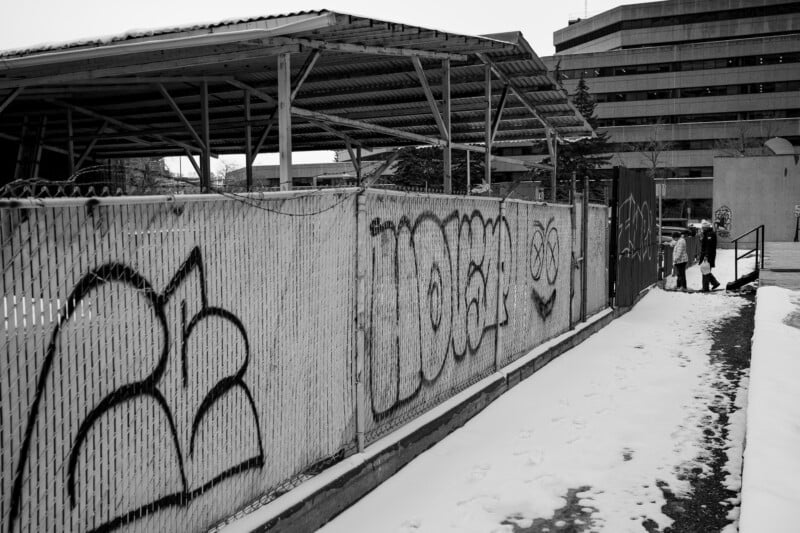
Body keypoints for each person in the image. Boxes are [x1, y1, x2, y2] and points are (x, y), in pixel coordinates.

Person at [698, 220, 720, 291]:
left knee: (705, 271)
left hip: (708, 256)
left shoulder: (710, 234)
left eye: (703, 227)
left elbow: (709, 246)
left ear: (706, 227)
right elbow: (705, 244)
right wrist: (701, 238)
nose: (702, 228)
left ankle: (705, 288)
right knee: (706, 270)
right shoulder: (707, 234)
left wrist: (706, 256)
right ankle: (714, 283)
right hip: (707, 255)